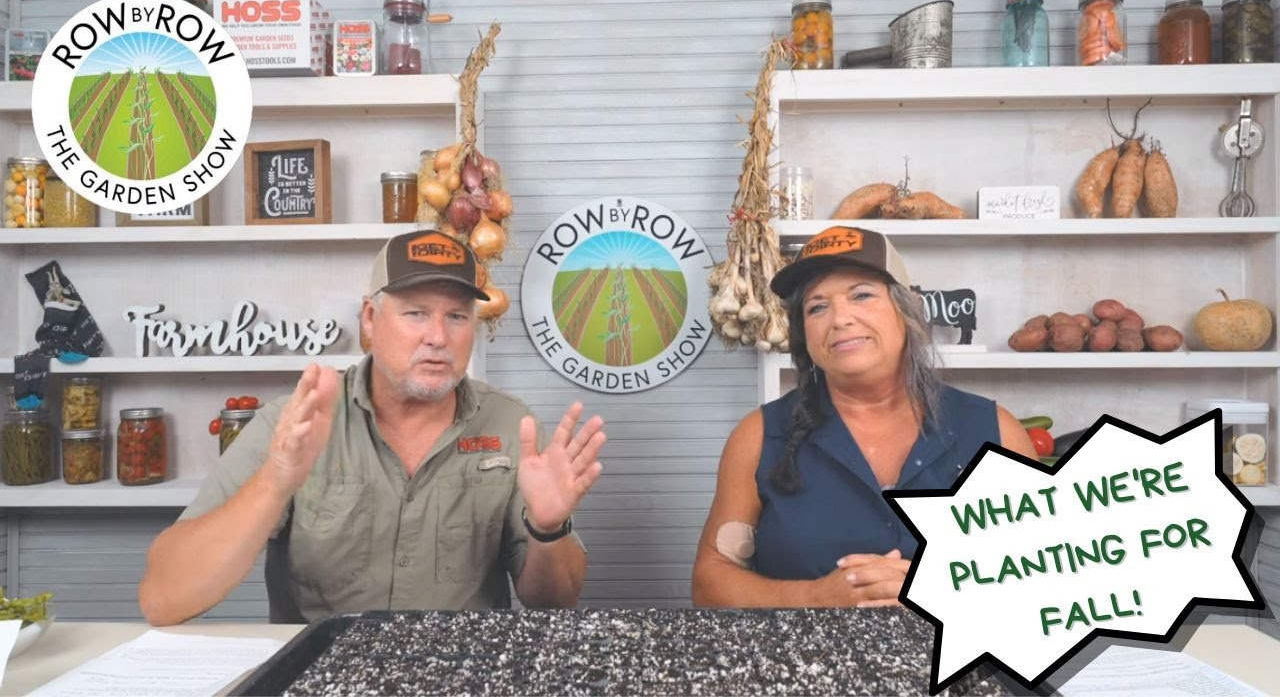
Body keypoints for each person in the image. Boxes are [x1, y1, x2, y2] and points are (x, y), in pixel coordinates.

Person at [139, 230, 606, 625]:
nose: (438, 337)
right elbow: (165, 599)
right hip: (322, 675)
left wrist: (548, 529)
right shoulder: (297, 424)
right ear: (369, 319)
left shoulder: (510, 426)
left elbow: (555, 602)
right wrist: (276, 479)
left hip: (463, 674)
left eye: (457, 316)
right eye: (416, 313)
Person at [691, 225, 1035, 608]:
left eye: (862, 295)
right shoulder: (759, 437)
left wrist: (938, 590)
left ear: (907, 309)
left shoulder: (994, 433)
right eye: (817, 307)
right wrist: (815, 596)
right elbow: (710, 583)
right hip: (804, 649)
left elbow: (1049, 578)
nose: (840, 318)